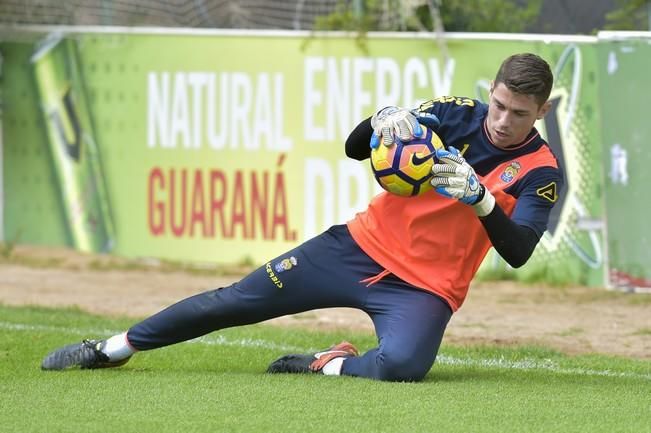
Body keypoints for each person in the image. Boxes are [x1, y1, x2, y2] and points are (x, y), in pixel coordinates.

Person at [41, 53, 562, 382]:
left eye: (518, 113)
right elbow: (356, 148)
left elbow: (518, 251)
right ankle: (110, 349)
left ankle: (326, 363)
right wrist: (380, 119)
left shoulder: (540, 172)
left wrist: (481, 200)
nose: (500, 120)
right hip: (355, 247)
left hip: (425, 288)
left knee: (402, 367)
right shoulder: (453, 112)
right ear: (489, 91)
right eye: (497, 104)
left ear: (540, 112)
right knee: (238, 300)